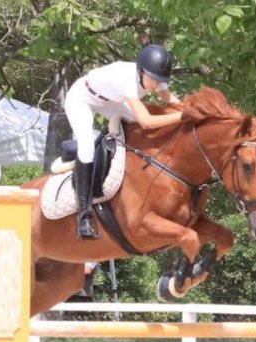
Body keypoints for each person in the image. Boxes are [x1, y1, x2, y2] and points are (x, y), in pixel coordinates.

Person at [65, 44, 184, 240]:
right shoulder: (126, 79)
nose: (155, 85)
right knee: (86, 148)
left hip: (111, 101)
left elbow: (171, 99)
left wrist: (193, 111)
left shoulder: (153, 75)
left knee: (135, 125)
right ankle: (84, 215)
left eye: (159, 80)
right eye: (153, 80)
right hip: (83, 99)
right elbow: (147, 122)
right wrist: (181, 117)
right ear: (141, 71)